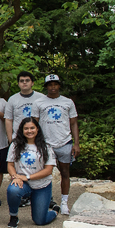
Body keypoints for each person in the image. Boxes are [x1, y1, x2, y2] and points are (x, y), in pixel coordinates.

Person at [33, 74, 79, 215]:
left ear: (59, 85)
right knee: (44, 173)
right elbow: (34, 123)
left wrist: (76, 143)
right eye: (50, 85)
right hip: (45, 143)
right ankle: (47, 199)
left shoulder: (68, 102)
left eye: (55, 84)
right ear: (46, 86)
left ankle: (64, 201)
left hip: (64, 141)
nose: (53, 87)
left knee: (65, 172)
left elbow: (74, 123)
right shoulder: (39, 102)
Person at [6, 118, 59, 227]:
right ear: (22, 130)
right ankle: (13, 216)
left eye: (32, 128)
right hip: (23, 182)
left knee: (40, 221)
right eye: (26, 128)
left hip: (41, 185)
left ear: (37, 129)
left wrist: (28, 177)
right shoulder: (15, 145)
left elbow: (48, 170)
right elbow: (10, 164)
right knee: (13, 189)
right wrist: (15, 176)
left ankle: (55, 211)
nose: (29, 131)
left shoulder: (46, 146)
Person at [5, 71, 46, 143]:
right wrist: (10, 138)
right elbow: (8, 119)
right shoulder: (12, 99)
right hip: (18, 138)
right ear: (18, 84)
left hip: (37, 137)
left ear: (32, 83)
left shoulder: (41, 98)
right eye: (21, 81)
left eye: (27, 80)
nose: (24, 83)